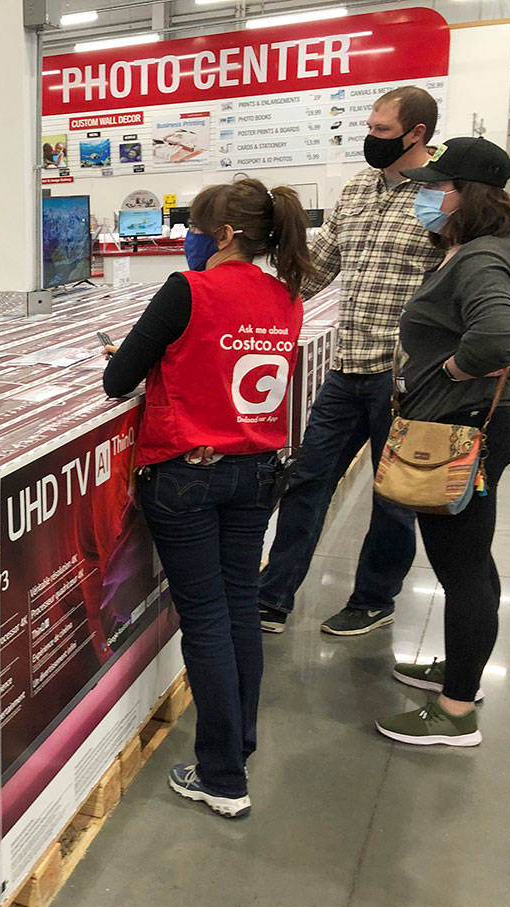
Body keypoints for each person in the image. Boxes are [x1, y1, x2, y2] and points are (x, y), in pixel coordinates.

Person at [102, 177, 311, 817]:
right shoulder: (286, 296)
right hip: (257, 473)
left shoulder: (186, 290)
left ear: (221, 235)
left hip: (187, 477)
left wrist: (143, 354)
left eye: (193, 228)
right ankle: (237, 747)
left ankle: (221, 777)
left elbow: (117, 380)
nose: (187, 239)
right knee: (240, 607)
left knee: (206, 620)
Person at [259, 86, 445, 637]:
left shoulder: (441, 195)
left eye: (382, 131)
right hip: (347, 368)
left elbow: (456, 281)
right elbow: (318, 268)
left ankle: (373, 599)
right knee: (308, 481)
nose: (370, 138)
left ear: (417, 134)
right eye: (370, 127)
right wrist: (250, 298)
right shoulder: (359, 188)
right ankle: (272, 596)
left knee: (393, 498)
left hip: (405, 378)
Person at [375, 137, 510, 746]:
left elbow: (496, 339)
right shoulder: (476, 249)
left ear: (468, 195)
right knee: (471, 557)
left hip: (465, 427)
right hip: (470, 423)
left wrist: (448, 371)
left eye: (439, 186)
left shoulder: (481, 257)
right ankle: (463, 667)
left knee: (460, 566)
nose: (428, 196)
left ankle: (457, 709)